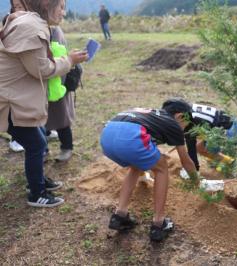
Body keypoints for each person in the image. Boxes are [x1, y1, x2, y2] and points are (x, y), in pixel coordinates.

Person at [0, 0, 88, 207]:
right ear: (47, 5)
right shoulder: (31, 28)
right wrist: (70, 61)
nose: (64, 12)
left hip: (17, 99)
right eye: (61, 7)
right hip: (11, 103)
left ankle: (37, 181)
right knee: (37, 144)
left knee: (39, 140)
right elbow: (42, 70)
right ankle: (36, 193)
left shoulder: (31, 23)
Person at [100, 101, 199, 241]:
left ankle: (119, 216)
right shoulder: (173, 124)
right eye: (186, 124)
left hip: (107, 136)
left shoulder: (154, 115)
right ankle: (159, 224)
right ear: (180, 116)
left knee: (136, 166)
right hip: (130, 137)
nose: (185, 129)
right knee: (162, 168)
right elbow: (186, 161)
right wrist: (196, 181)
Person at [46, 23, 78, 162]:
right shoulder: (35, 25)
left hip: (57, 82)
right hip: (43, 83)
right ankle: (43, 150)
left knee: (61, 119)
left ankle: (67, 147)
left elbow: (60, 56)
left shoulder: (54, 29)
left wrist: (60, 84)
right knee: (40, 122)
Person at [2, 0, 27, 152]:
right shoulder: (9, 21)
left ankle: (45, 130)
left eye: (21, 6)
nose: (19, 10)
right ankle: (15, 139)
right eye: (16, 6)